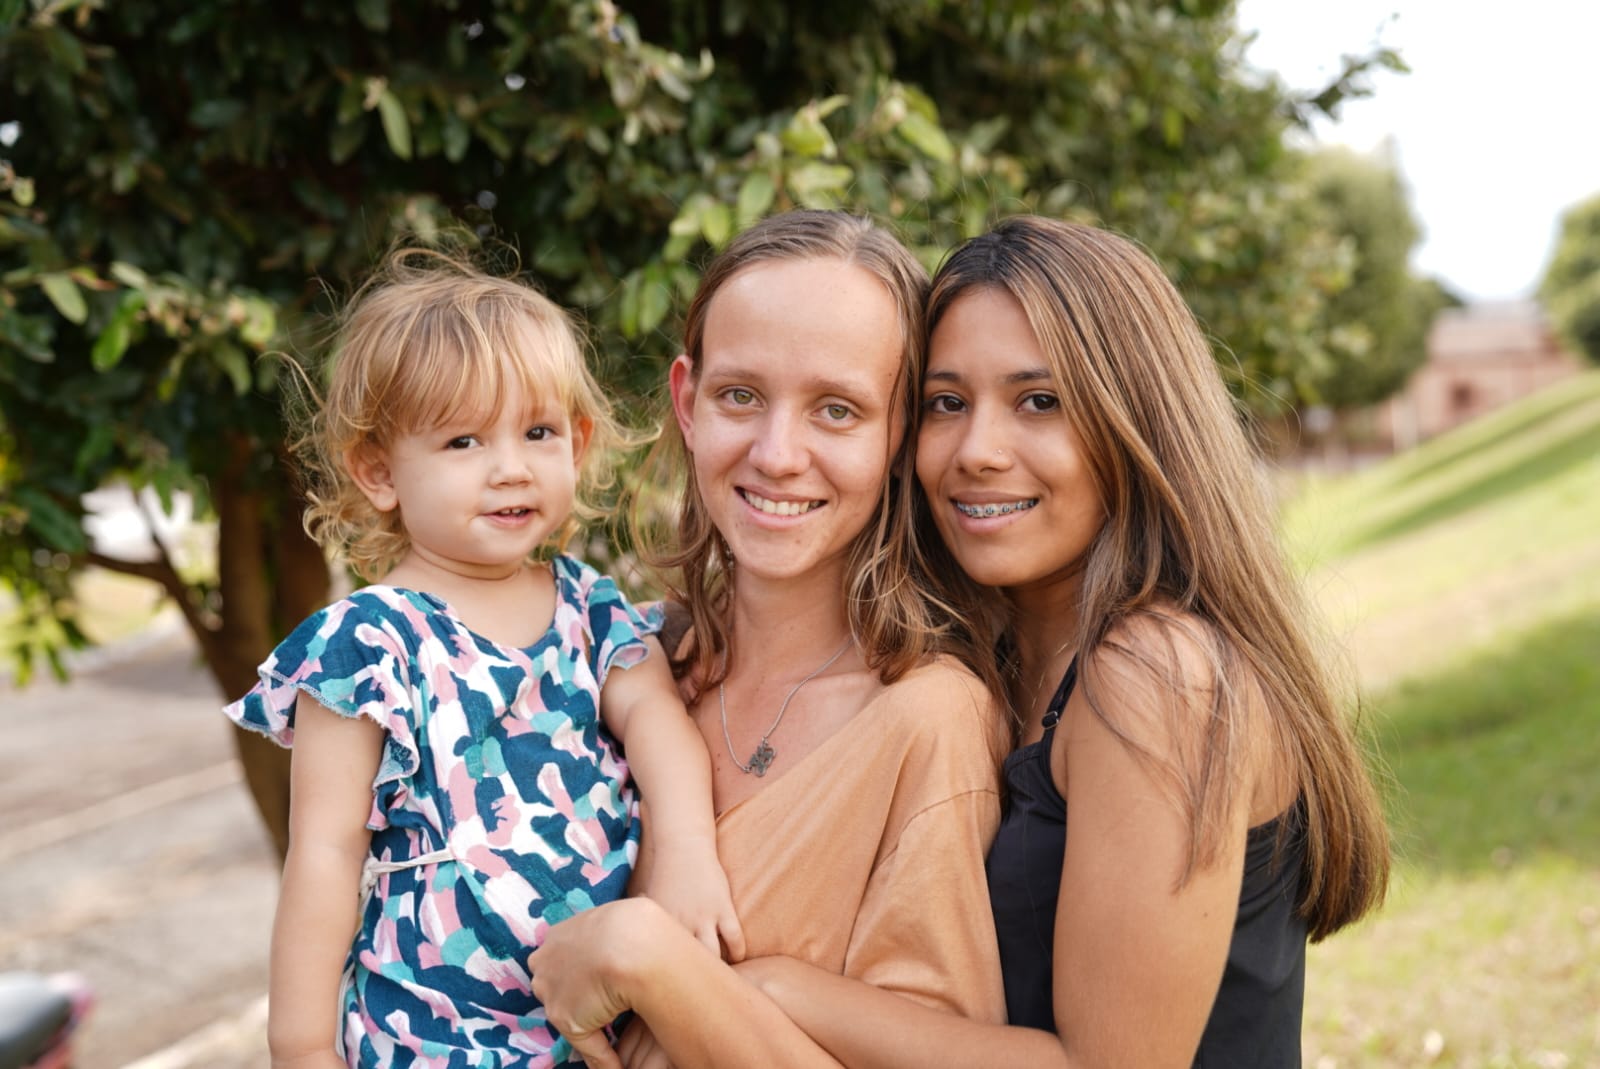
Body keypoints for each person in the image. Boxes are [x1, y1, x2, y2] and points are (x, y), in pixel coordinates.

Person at [717, 215, 1393, 1068]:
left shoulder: (1157, 676)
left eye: (1039, 402)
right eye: (946, 404)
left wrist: (765, 989)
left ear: (1133, 423)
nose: (978, 451)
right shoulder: (992, 664)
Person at [222, 247, 742, 1069]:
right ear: (378, 470)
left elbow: (660, 725)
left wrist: (685, 851)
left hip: (594, 1020)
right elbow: (322, 856)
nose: (510, 467)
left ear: (575, 443)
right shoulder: (367, 645)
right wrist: (301, 1046)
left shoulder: (591, 609)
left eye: (537, 432)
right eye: (463, 441)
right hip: (427, 1033)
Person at [525, 210, 1009, 1067]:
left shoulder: (928, 723)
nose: (779, 453)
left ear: (900, 437)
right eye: (741, 395)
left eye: (837, 409)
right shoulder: (619, 667)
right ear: (687, 401)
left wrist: (652, 956)